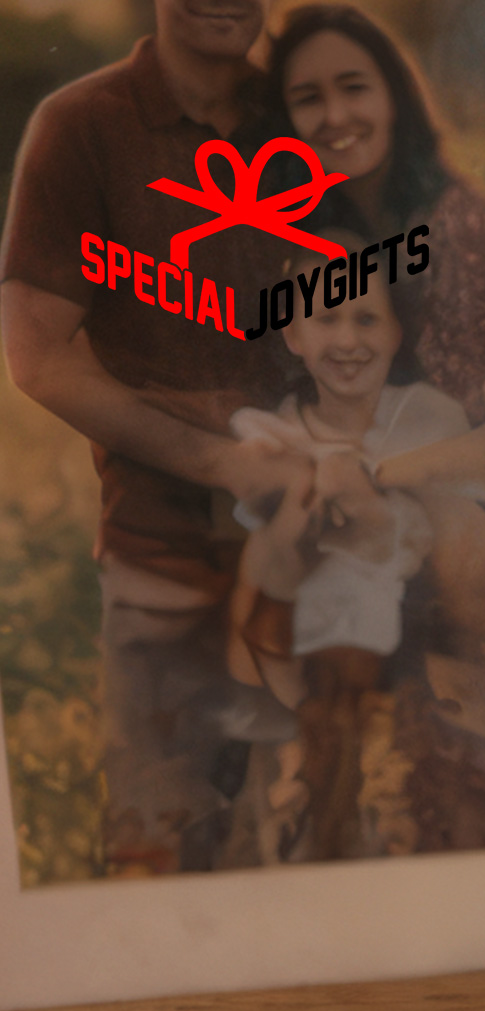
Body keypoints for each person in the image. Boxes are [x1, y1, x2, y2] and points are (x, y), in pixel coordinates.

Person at [0, 0, 314, 873]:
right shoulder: (81, 126)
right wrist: (222, 462)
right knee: (164, 848)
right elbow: (37, 357)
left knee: (325, 843)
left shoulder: (306, 112)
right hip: (163, 552)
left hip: (325, 552)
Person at [265, 5, 485, 830]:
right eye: (308, 98)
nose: (334, 115)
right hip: (348, 523)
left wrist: (379, 474)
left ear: (395, 96)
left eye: (353, 87)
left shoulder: (465, 220)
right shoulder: (293, 238)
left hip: (484, 530)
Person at [230, 257, 485, 857]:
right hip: (313, 654)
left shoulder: (428, 416)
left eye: (366, 319)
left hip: (418, 639)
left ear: (396, 332)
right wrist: (313, 500)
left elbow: (468, 539)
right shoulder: (276, 434)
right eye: (326, 320)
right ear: (292, 334)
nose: (348, 340)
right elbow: (271, 560)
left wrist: (374, 487)